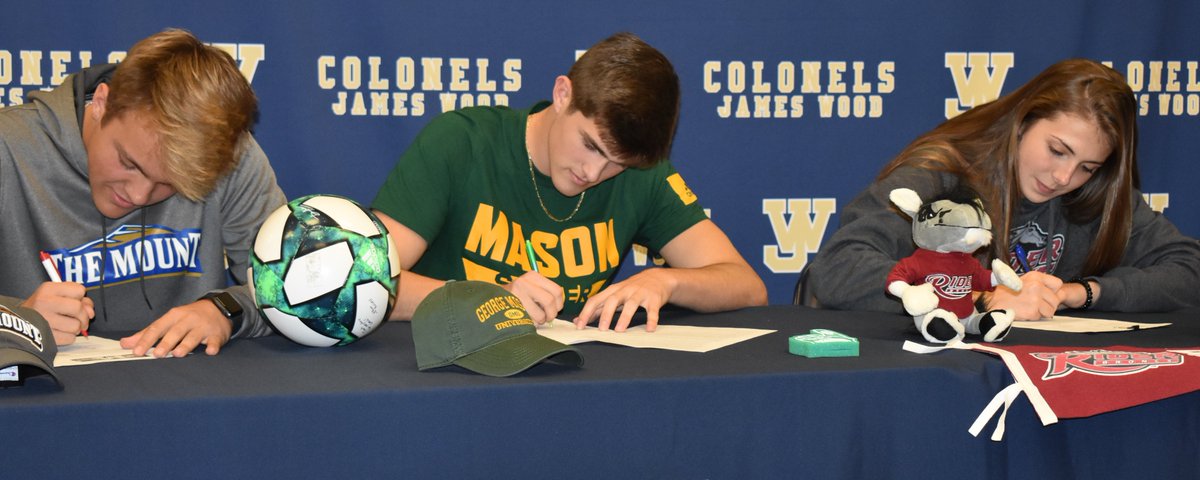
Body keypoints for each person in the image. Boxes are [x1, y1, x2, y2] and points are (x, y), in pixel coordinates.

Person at [372, 32, 767, 331]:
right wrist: (486, 302)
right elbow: (365, 281)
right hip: (446, 371)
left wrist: (666, 281)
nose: (593, 174)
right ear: (563, 94)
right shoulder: (461, 143)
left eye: (618, 164)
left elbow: (745, 284)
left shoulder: (643, 175)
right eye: (591, 146)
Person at [805, 58, 1200, 320]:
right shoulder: (941, 175)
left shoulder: (1097, 193)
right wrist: (981, 301)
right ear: (1023, 121)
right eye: (1057, 150)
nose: (1064, 177)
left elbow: (1189, 270)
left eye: (1087, 166)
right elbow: (839, 268)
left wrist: (1084, 293)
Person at [0, 29, 286, 356]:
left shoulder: (227, 156)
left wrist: (225, 310)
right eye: (128, 162)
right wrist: (14, 318)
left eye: (171, 182)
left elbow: (288, 287)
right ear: (102, 105)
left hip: (187, 388)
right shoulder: (7, 148)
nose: (138, 195)